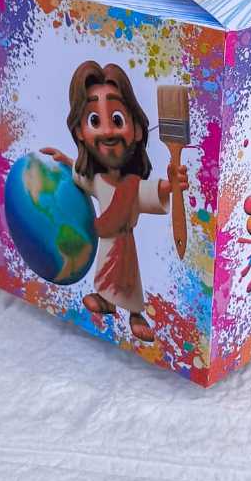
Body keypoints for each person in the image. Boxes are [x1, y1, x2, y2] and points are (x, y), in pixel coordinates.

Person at [41, 60, 185, 343]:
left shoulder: (132, 186)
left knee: (129, 279)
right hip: (106, 240)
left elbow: (150, 191)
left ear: (137, 130)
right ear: (80, 132)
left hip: (124, 243)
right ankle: (106, 301)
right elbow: (81, 177)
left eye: (117, 119)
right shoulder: (96, 179)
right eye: (95, 121)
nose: (107, 131)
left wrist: (172, 185)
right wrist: (66, 160)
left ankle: (135, 314)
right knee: (104, 273)